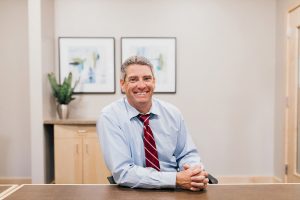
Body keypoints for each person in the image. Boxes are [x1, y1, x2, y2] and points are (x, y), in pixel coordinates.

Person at [97, 56, 209, 191]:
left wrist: (193, 173)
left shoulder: (173, 113)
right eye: (133, 79)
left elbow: (187, 154)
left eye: (146, 78)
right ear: (122, 84)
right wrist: (175, 179)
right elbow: (123, 172)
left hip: (177, 189)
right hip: (134, 191)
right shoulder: (110, 116)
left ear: (154, 82)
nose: (141, 85)